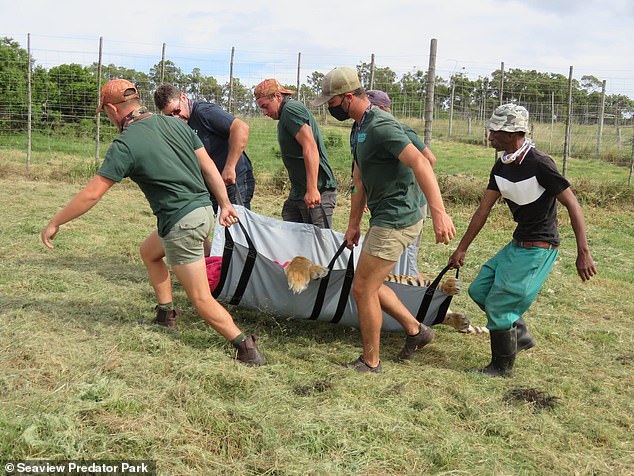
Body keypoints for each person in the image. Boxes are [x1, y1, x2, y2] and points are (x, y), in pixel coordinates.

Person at [40, 79, 266, 366]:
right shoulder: (175, 124)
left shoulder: (126, 143)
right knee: (149, 252)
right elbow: (209, 166)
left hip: (181, 222)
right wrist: (223, 204)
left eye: (106, 113)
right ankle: (165, 314)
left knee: (200, 298)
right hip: (201, 213)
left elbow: (92, 194)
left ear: (112, 109)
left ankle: (245, 347)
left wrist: (56, 221)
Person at [312, 67, 456, 373]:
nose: (329, 108)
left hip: (397, 217)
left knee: (362, 288)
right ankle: (416, 330)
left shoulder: (380, 125)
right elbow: (359, 179)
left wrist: (439, 212)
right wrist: (353, 224)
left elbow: (421, 161)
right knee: (370, 284)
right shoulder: (358, 128)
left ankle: (371, 361)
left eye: (332, 102)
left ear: (348, 97)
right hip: (384, 216)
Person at [448, 103, 597, 377]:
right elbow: (483, 210)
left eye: (496, 131)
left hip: (539, 247)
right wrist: (461, 249)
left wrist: (583, 252)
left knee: (500, 304)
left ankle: (501, 367)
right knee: (479, 290)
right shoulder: (501, 166)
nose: (490, 136)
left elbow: (573, 205)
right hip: (518, 243)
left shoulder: (540, 164)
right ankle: (520, 333)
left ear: (513, 132)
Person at [366, 89, 437, 276]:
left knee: (407, 257)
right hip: (386, 207)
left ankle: (410, 294)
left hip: (410, 205)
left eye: (369, 106)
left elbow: (428, 159)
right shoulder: (368, 129)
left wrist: (409, 185)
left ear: (381, 108)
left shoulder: (398, 128)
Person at [153, 84, 255, 211]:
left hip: (234, 181)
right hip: (214, 185)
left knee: (236, 226)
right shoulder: (181, 125)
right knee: (222, 226)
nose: (175, 118)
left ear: (183, 97)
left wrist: (230, 167)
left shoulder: (204, 112)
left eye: (177, 111)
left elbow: (241, 128)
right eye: (169, 115)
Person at [254, 79, 338, 228]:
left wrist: (312, 189)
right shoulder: (285, 115)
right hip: (299, 194)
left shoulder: (291, 110)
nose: (265, 113)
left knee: (319, 246)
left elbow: (310, 146)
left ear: (278, 97)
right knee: (291, 223)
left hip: (318, 191)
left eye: (265, 106)